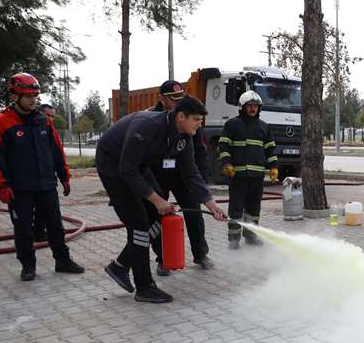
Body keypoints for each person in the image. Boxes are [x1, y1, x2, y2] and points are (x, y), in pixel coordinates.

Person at [96, 95, 227, 303]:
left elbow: (190, 172)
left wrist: (211, 204)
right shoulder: (147, 126)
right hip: (114, 167)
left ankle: (119, 266)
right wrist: (156, 199)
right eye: (196, 120)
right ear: (181, 116)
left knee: (160, 217)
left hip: (139, 167)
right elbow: (127, 169)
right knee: (139, 225)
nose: (199, 125)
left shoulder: (185, 135)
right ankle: (144, 287)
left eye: (201, 121)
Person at [0, 73, 84, 281]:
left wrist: (64, 176)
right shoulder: (0, 123)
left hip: (46, 185)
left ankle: (63, 261)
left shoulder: (43, 121)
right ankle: (28, 266)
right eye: (27, 96)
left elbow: (56, 150)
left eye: (35, 95)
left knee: (55, 226)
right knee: (23, 230)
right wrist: (2, 185)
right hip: (19, 189)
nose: (33, 100)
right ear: (15, 96)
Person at [145, 80, 213, 276]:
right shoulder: (152, 118)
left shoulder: (189, 117)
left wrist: (203, 178)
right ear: (162, 99)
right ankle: (163, 259)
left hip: (183, 174)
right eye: (172, 99)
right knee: (159, 216)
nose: (176, 102)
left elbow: (199, 149)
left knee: (194, 212)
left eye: (179, 98)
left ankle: (201, 254)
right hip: (158, 176)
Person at [218, 91, 278, 249]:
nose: (253, 109)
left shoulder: (264, 127)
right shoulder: (232, 125)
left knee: (253, 209)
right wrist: (227, 163)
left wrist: (274, 168)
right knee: (236, 208)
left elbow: (270, 150)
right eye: (250, 106)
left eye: (255, 106)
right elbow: (223, 146)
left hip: (257, 177)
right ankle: (234, 240)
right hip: (238, 176)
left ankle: (251, 236)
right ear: (242, 107)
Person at [31, 103, 58, 242]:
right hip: (28, 180)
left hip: (46, 177)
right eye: (48, 115)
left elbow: (57, 153)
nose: (50, 119)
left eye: (52, 116)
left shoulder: (49, 129)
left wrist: (63, 176)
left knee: (45, 209)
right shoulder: (30, 127)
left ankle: (39, 232)